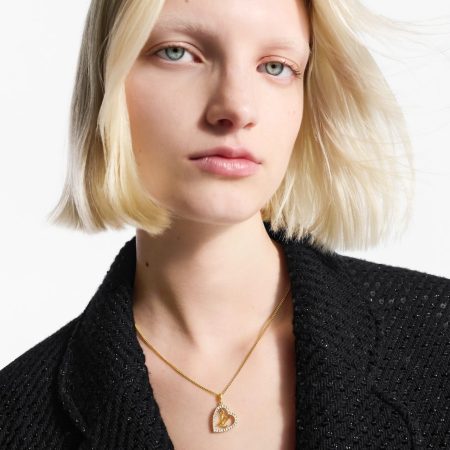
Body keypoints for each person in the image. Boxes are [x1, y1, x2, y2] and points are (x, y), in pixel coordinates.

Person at [0, 0, 449, 448]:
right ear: (107, 82)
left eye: (276, 66)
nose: (235, 107)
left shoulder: (438, 335)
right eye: (177, 53)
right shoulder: (16, 419)